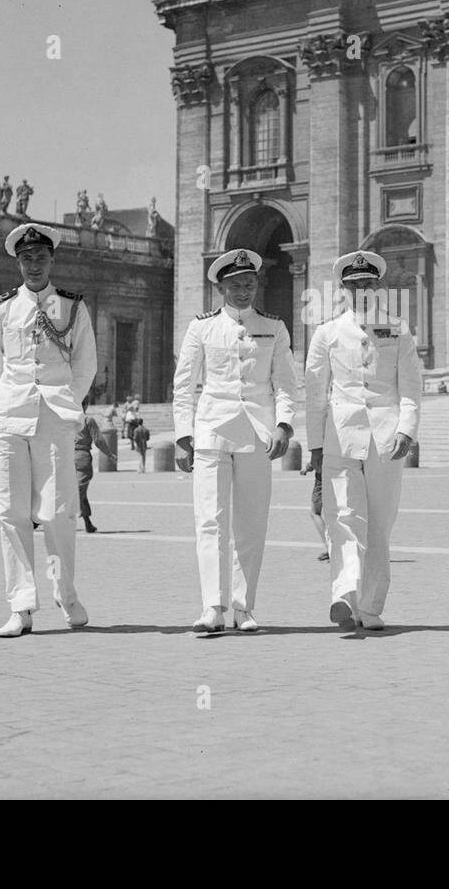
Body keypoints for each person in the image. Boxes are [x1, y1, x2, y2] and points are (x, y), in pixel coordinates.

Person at [172, 248, 298, 634]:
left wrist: (284, 425)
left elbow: (286, 385)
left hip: (257, 434)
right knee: (210, 521)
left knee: (251, 525)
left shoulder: (274, 327)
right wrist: (183, 435)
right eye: (235, 285)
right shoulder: (202, 327)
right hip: (212, 431)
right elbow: (183, 386)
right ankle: (213, 606)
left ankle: (244, 608)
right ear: (221, 287)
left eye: (249, 283)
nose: (244, 291)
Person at [0, 222, 98, 638]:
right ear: (17, 261)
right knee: (11, 512)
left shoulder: (72, 307)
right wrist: (14, 398)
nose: (34, 265)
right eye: (27, 258)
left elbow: (85, 364)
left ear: (52, 260)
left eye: (41, 257)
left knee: (59, 510)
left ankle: (66, 594)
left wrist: (64, 400)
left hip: (55, 417)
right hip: (10, 418)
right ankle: (20, 606)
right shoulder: (1, 309)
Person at [306, 250, 422, 631]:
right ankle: (343, 594)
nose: (362, 291)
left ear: (380, 288)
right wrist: (315, 445)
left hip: (386, 437)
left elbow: (411, 387)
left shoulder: (399, 330)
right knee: (343, 518)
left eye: (369, 284)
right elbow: (315, 391)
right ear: (344, 289)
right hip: (340, 434)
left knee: (379, 524)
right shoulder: (326, 333)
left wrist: (407, 428)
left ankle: (370, 607)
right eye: (355, 286)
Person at [75, 413, 115, 533]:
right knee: (79, 491)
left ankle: (88, 523)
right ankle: (40, 520)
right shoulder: (87, 420)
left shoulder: (65, 418)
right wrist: (109, 454)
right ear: (86, 404)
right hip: (82, 456)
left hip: (65, 456)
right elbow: (99, 440)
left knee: (78, 491)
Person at [300, 454, 330, 561]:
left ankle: (329, 546)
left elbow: (317, 458)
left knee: (314, 512)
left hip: (322, 479)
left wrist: (306, 468)